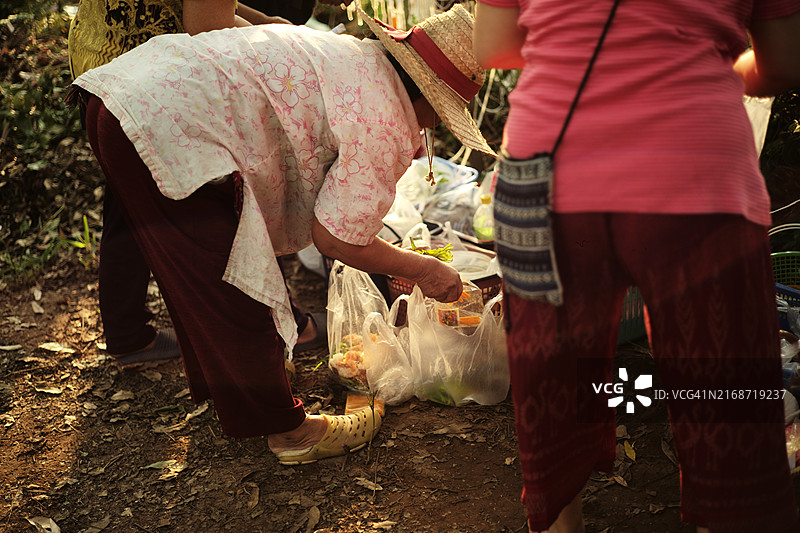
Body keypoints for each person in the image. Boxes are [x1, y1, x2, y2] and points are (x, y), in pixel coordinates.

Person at [69, 2, 493, 462]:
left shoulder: (352, 55)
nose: (435, 126)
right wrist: (426, 270)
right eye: (444, 114)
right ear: (430, 98)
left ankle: (231, 390)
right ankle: (289, 431)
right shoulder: (385, 116)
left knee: (199, 272)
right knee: (235, 280)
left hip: (117, 97)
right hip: (163, 122)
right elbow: (336, 240)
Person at [474, 1, 800, 532]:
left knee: (553, 375)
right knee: (724, 390)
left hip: (547, 176)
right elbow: (785, 61)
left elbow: (492, 46)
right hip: (697, 167)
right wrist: (705, 62)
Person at [67, 0, 343, 365]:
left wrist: (265, 22)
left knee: (128, 196)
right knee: (220, 201)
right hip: (142, 78)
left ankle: (127, 333)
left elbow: (205, 6)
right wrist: (290, 46)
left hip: (106, 56)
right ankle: (281, 325)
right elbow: (209, 29)